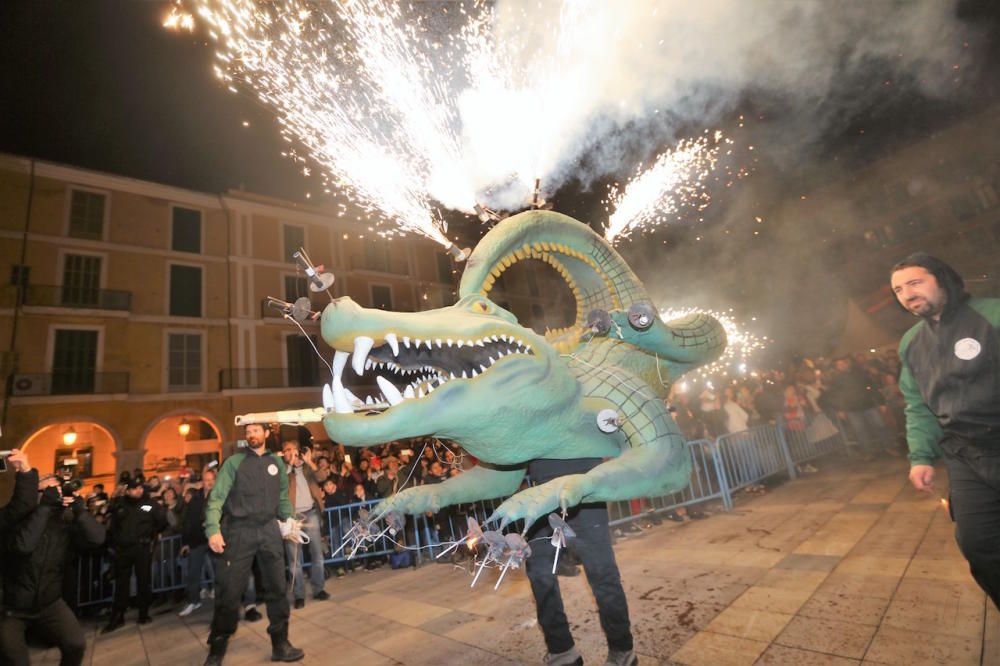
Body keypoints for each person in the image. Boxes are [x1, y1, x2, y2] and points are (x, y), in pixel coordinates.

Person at [892, 252, 1000, 610]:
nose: (907, 294)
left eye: (915, 282)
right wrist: (921, 456)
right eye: (898, 290)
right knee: (978, 545)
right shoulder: (910, 343)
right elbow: (918, 405)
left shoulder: (992, 314)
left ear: (942, 278)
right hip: (964, 456)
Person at [203, 424, 303, 665]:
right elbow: (216, 498)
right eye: (248, 431)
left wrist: (288, 518)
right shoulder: (233, 462)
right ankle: (217, 649)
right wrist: (213, 530)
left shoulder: (276, 463)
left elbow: (281, 497)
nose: (251, 435)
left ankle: (281, 644)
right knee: (229, 592)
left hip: (269, 530)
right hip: (238, 531)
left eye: (256, 430)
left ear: (267, 434)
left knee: (277, 588)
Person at [524, 458, 636, 666]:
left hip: (584, 487)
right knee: (539, 574)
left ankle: (622, 648)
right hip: (539, 492)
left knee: (602, 572)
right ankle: (561, 650)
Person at [0, 472, 105, 666]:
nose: (56, 495)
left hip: (49, 602)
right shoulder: (17, 519)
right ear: (36, 493)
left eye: (59, 490)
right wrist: (45, 508)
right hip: (12, 607)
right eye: (50, 491)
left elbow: (98, 538)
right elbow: (24, 546)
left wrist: (81, 512)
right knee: (16, 661)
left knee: (75, 644)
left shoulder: (64, 521)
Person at [102, 476, 167, 633]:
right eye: (135, 488)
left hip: (142, 548)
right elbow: (113, 527)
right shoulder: (120, 505)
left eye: (140, 488)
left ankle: (143, 614)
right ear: (128, 490)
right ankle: (118, 616)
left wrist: (152, 533)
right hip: (123, 550)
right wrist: (115, 544)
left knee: (143, 581)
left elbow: (162, 521)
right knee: (121, 583)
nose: (139, 490)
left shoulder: (149, 505)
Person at [280, 441, 329, 609]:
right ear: (283, 454)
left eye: (293, 449)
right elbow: (280, 487)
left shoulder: (307, 468)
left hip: (311, 513)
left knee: (317, 553)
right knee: (294, 560)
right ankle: (299, 595)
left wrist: (309, 462)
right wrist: (289, 467)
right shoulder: (282, 471)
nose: (290, 453)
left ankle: (319, 588)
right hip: (292, 518)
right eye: (287, 450)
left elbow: (322, 477)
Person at [178, 468, 217, 617]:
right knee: (193, 572)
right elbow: (188, 521)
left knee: (220, 571)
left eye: (211, 480)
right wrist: (186, 542)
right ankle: (193, 601)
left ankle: (223, 600)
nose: (209, 483)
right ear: (202, 481)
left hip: (215, 538)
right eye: (206, 480)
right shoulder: (195, 498)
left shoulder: (220, 495)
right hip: (197, 540)